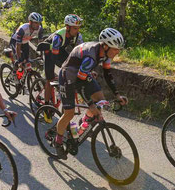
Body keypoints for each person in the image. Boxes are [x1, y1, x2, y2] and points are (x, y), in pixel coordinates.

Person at [53, 28, 128, 160]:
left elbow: (107, 74)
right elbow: (79, 83)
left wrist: (117, 95)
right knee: (69, 113)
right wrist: (90, 104)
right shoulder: (91, 57)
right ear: (105, 46)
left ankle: (84, 123)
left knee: (100, 101)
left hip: (82, 73)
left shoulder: (105, 54)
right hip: (68, 76)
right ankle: (58, 142)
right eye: (115, 49)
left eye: (119, 49)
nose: (118, 52)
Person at [38, 14, 84, 117]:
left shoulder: (78, 36)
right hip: (49, 51)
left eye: (78, 28)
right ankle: (46, 106)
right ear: (67, 27)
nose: (77, 30)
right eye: (75, 28)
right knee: (50, 79)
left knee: (70, 67)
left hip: (61, 49)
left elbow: (80, 53)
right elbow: (54, 59)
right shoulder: (58, 37)